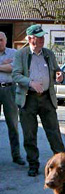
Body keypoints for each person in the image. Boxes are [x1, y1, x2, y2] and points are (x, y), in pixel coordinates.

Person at [12, 24, 65, 177]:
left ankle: (62, 164)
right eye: (38, 37)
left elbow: (57, 70)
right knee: (29, 134)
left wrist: (59, 75)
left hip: (47, 98)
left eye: (43, 37)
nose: (42, 40)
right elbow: (15, 75)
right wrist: (30, 82)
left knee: (54, 132)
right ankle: (33, 164)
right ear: (29, 39)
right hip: (28, 99)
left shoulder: (48, 54)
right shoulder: (20, 55)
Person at [0, 32, 25, 166]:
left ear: (6, 40)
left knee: (13, 124)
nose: (0, 42)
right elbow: (7, 68)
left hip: (9, 90)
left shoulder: (13, 53)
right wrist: (3, 66)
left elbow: (13, 68)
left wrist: (5, 66)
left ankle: (16, 156)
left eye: (1, 40)